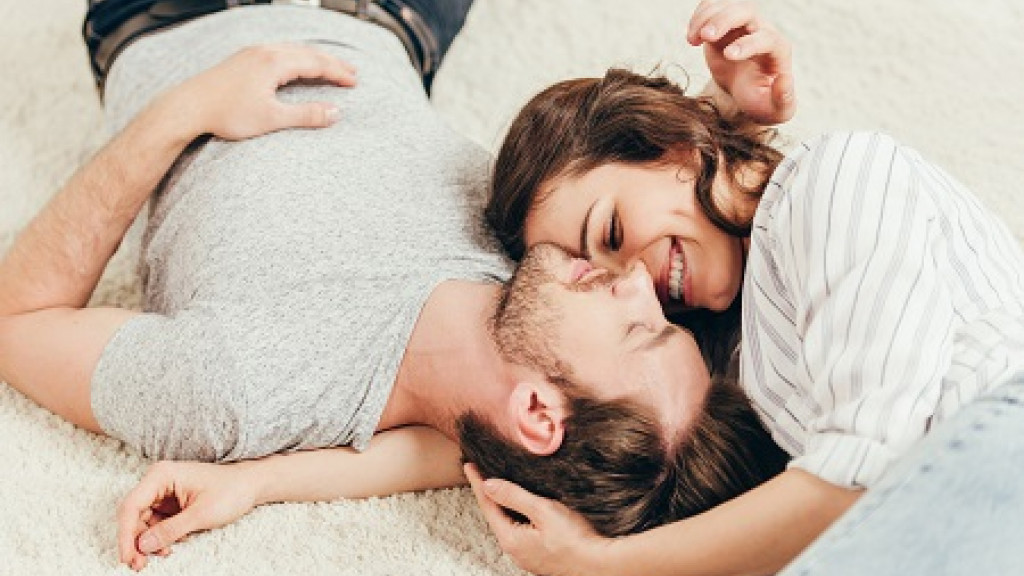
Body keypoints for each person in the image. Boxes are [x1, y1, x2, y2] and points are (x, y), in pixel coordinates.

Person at [0, 1, 786, 571]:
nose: (640, 286)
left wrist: (183, 111)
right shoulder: (537, 258)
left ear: (539, 411)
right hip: (395, 21)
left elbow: (17, 318)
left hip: (179, 17)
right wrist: (736, 116)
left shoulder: (234, 388)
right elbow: (453, 452)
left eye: (642, 329)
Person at [467, 1, 1024, 574]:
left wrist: (602, 563)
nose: (637, 280)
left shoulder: (838, 177)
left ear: (665, 143)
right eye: (596, 276)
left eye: (612, 232)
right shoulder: (729, 352)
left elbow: (860, 473)